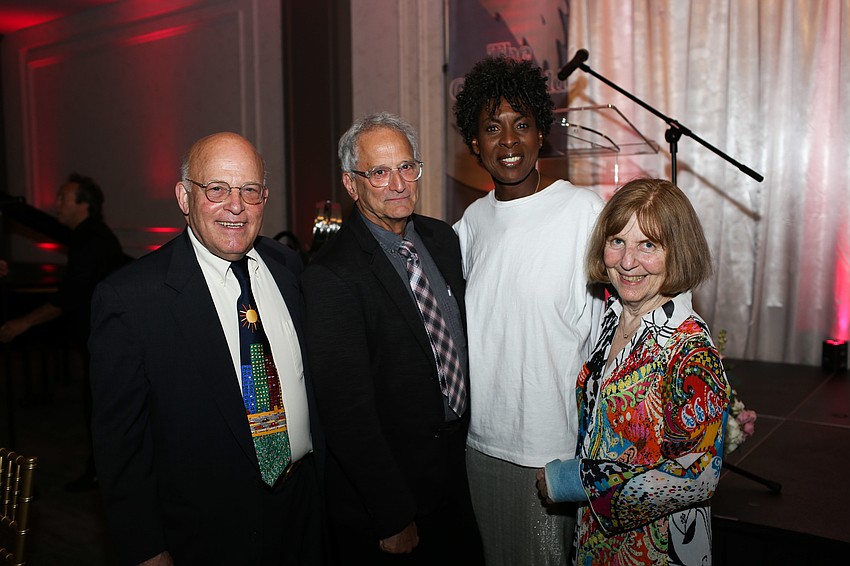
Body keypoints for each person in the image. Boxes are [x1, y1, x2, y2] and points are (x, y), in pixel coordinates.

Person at [89, 132, 326, 565]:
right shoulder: (131, 300)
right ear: (184, 196)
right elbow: (120, 447)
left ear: (264, 198)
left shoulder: (288, 267)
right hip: (206, 533)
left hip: (304, 510)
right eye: (216, 189)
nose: (235, 206)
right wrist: (146, 549)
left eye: (249, 191)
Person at [301, 112, 483, 565]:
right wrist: (391, 514)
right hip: (395, 494)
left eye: (407, 167)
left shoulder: (442, 239)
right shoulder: (331, 274)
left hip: (459, 475)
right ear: (351, 183)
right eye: (379, 172)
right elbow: (346, 413)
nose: (398, 183)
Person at [452, 56, 605, 565]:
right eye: (492, 127)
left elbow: (612, 334)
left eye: (522, 124)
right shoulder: (472, 222)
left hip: (553, 448)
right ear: (475, 143)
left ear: (543, 133)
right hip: (482, 445)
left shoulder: (583, 211)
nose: (509, 141)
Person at [536, 178, 731, 565]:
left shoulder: (689, 347)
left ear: (678, 252)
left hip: (658, 547)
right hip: (597, 539)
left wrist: (573, 480)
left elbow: (699, 474)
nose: (627, 262)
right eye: (617, 241)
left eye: (648, 245)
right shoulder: (614, 317)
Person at [0, 173, 128, 491]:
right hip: (99, 337)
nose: (56, 205)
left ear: (83, 205)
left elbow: (67, 298)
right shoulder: (86, 237)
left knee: (100, 409)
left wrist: (23, 322)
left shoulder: (92, 241)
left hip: (107, 341)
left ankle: (102, 474)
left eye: (63, 199)